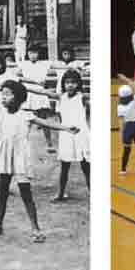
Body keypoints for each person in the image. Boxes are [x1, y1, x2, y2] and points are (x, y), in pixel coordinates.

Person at [0, 80, 80, 243]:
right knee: (2, 192)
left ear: (18, 97)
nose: (3, 97)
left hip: (20, 156)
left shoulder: (26, 115)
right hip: (3, 155)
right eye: (2, 94)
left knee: (26, 193)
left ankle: (35, 228)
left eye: (7, 94)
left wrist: (66, 128)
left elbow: (48, 123)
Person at [28, 70, 90, 202]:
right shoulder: (61, 97)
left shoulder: (82, 97)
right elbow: (42, 92)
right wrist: (26, 87)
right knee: (64, 166)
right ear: (63, 84)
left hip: (81, 134)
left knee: (86, 165)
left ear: (78, 84)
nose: (70, 85)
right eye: (67, 82)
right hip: (66, 135)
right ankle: (61, 193)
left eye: (73, 82)